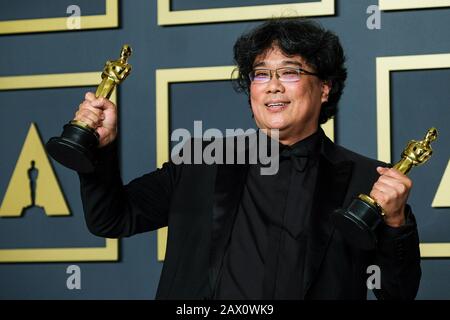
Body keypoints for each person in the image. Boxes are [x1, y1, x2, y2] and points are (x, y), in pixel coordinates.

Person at [74, 19, 421, 299]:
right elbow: (110, 219)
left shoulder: (367, 180)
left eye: (290, 72)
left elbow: (397, 293)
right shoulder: (199, 162)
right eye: (260, 73)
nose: (272, 86)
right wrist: (100, 148)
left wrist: (395, 223)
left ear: (325, 88)